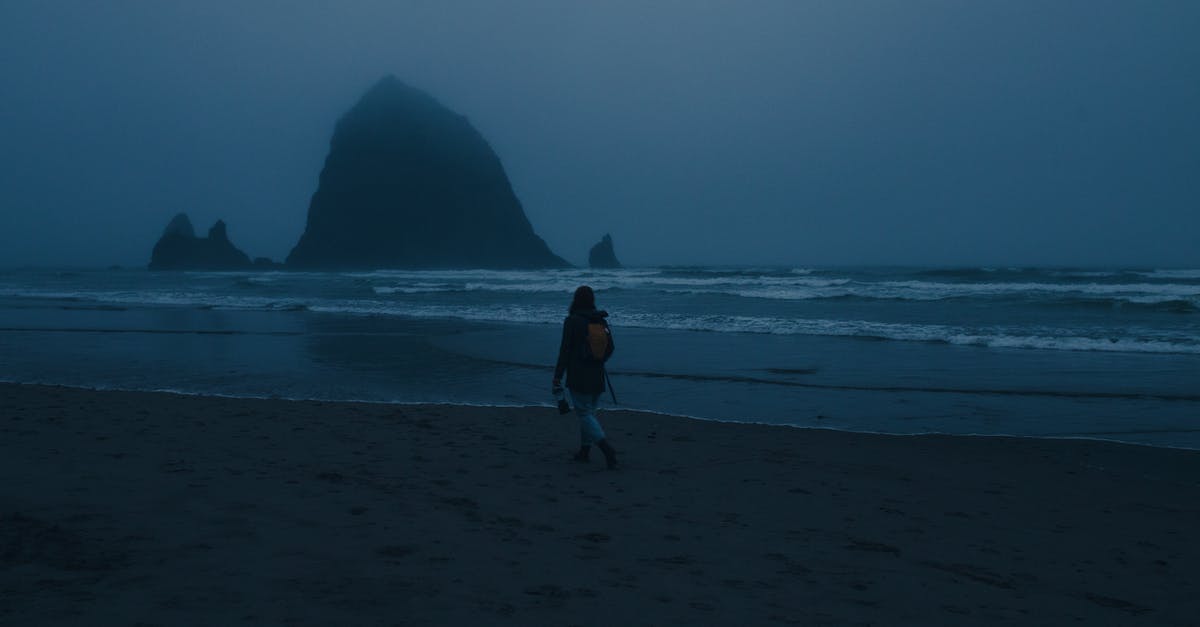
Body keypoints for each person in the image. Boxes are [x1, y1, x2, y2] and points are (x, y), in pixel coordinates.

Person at [553, 285, 617, 469]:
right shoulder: (600, 320)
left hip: (578, 374)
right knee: (589, 414)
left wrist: (557, 375)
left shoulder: (572, 321)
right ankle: (584, 451)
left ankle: (606, 449)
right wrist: (599, 360)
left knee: (584, 414)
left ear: (576, 299)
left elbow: (564, 351)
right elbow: (611, 347)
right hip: (597, 374)